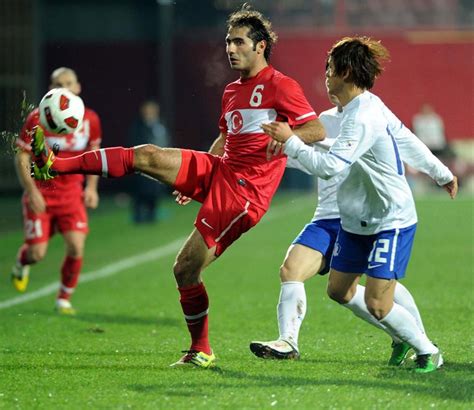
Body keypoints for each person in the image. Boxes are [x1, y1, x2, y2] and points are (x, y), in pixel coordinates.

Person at [30, 4, 326, 368]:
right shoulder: (232, 91)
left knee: (184, 268)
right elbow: (225, 137)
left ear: (260, 46)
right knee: (148, 155)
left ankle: (200, 349)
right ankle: (54, 164)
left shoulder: (281, 85)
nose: (230, 49)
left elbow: (317, 130)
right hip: (220, 169)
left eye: (239, 42)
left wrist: (289, 135)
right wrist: (193, 179)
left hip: (244, 194)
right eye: (227, 42)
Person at [261, 36, 458, 373]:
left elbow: (331, 165)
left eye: (330, 67)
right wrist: (441, 173)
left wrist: (292, 142)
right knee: (339, 290)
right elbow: (406, 139)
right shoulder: (359, 109)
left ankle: (427, 350)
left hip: (389, 218)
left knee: (377, 302)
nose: (325, 74)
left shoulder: (364, 115)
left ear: (347, 71)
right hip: (354, 219)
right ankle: (400, 337)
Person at [12, 67, 102, 315]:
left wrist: (92, 188)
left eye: (68, 83)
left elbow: (94, 155)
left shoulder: (90, 119)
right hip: (42, 192)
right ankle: (22, 262)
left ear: (78, 87)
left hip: (72, 195)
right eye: (57, 84)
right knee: (36, 254)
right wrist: (32, 192)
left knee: (76, 247)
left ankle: (63, 299)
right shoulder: (36, 119)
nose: (63, 87)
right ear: (50, 89)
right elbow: (22, 157)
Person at [128, 100, 170, 224]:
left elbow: (166, 141)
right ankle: (138, 216)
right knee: (141, 190)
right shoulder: (138, 127)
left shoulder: (160, 125)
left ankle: (152, 215)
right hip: (142, 164)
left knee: (155, 190)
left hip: (158, 164)